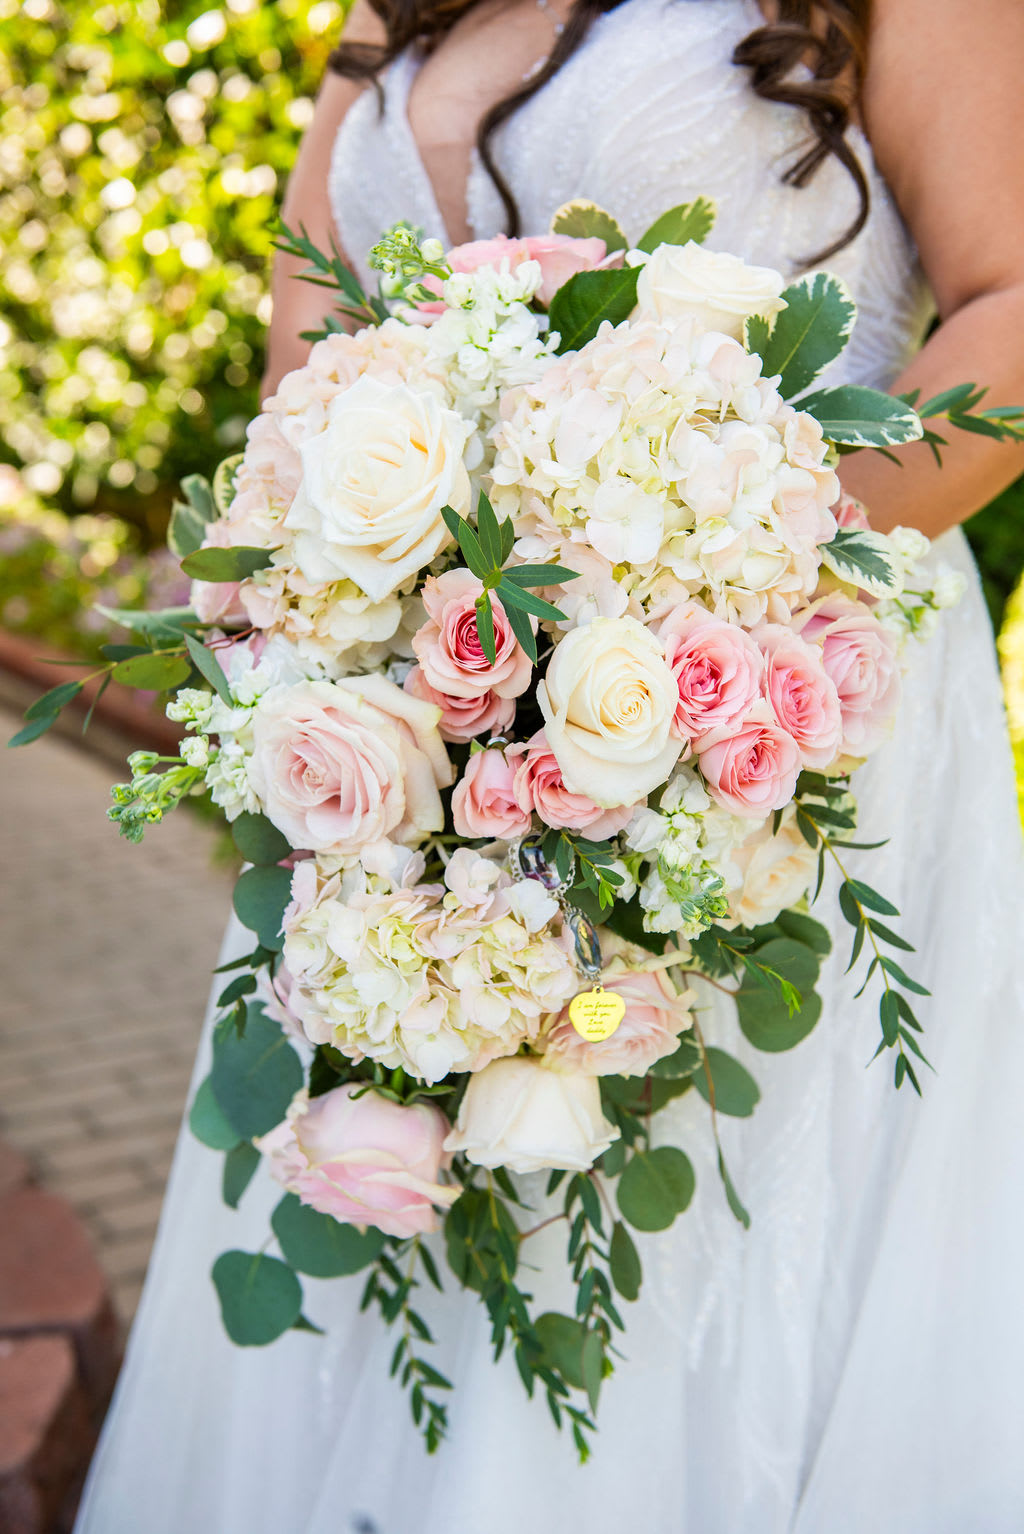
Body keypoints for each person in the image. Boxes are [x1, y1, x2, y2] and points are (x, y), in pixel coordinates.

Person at [75, 2, 1024, 1530]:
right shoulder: (389, 12)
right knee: (413, 1162)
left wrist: (737, 577)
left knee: (664, 1168)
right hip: (416, 731)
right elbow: (307, 349)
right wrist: (327, 615)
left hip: (758, 725)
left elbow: (1013, 306)